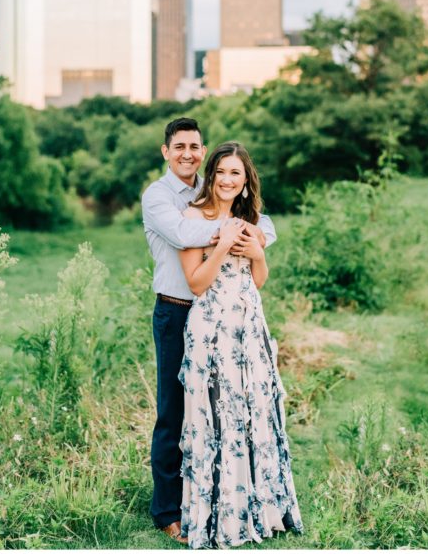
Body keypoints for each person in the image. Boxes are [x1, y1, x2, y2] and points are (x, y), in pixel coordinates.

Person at [142, 118, 277, 544]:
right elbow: (185, 233)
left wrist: (258, 235)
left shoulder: (213, 186)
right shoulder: (161, 198)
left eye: (195, 147)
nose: (188, 153)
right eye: (179, 146)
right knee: (175, 412)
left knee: (222, 413)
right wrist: (240, 232)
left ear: (204, 152)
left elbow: (257, 218)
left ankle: (217, 498)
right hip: (178, 311)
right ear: (165, 151)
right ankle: (168, 511)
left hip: (226, 320)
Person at [177, 141, 303, 549]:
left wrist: (255, 253)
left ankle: (258, 509)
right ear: (210, 176)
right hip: (211, 327)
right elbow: (196, 283)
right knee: (215, 416)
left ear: (246, 182)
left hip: (249, 328)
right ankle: (215, 513)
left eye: (236, 173)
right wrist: (223, 244)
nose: (228, 180)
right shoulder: (193, 218)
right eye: (221, 172)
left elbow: (258, 280)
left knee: (253, 413)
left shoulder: (257, 222)